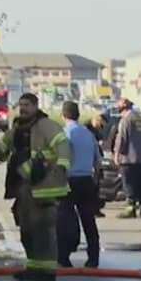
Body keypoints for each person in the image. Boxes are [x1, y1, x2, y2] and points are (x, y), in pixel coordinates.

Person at [0, 93, 71, 281]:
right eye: (21, 105)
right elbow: (1, 147)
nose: (23, 108)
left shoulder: (46, 126)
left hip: (43, 188)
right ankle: (34, 268)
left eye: (27, 104)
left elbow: (62, 145)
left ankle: (47, 271)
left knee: (42, 231)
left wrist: (59, 167)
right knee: (27, 230)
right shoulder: (18, 128)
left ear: (36, 106)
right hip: (24, 187)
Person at [56, 101, 102, 268]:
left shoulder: (65, 134)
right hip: (86, 179)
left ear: (63, 115)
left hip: (69, 180)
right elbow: (98, 161)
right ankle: (93, 257)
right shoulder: (88, 134)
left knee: (66, 219)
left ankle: (64, 256)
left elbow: (59, 158)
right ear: (78, 115)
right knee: (88, 219)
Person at [112, 97, 141, 219]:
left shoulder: (126, 120)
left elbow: (121, 138)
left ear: (122, 109)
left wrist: (117, 155)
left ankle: (130, 209)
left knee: (129, 184)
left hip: (129, 159)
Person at [87, 113, 110, 218]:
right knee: (92, 187)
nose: (102, 128)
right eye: (101, 125)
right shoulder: (87, 130)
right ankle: (92, 209)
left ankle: (95, 209)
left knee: (97, 187)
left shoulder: (96, 131)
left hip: (96, 160)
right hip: (90, 162)